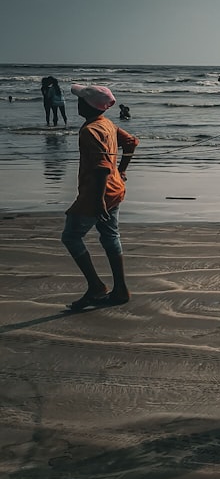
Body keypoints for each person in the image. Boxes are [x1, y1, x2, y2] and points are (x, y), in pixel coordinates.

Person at [62, 84, 139, 311]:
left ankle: (96, 286)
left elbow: (101, 168)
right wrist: (122, 170)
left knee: (71, 236)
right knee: (109, 236)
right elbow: (131, 142)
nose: (77, 103)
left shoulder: (90, 131)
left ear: (88, 105)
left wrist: (97, 202)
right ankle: (120, 289)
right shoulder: (106, 124)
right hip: (115, 190)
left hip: (97, 193)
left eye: (80, 100)